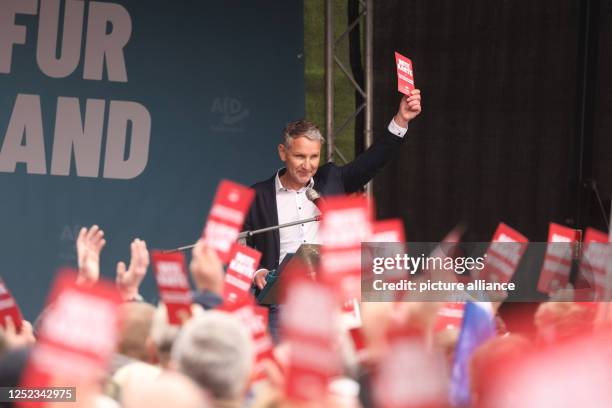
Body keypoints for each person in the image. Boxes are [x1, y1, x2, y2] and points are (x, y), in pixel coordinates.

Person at [242, 90, 422, 337]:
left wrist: (401, 119)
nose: (308, 165)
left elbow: (374, 159)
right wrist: (257, 272)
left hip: (331, 300)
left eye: (314, 156)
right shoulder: (257, 195)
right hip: (280, 303)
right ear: (283, 153)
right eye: (299, 156)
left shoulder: (331, 180)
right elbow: (239, 246)